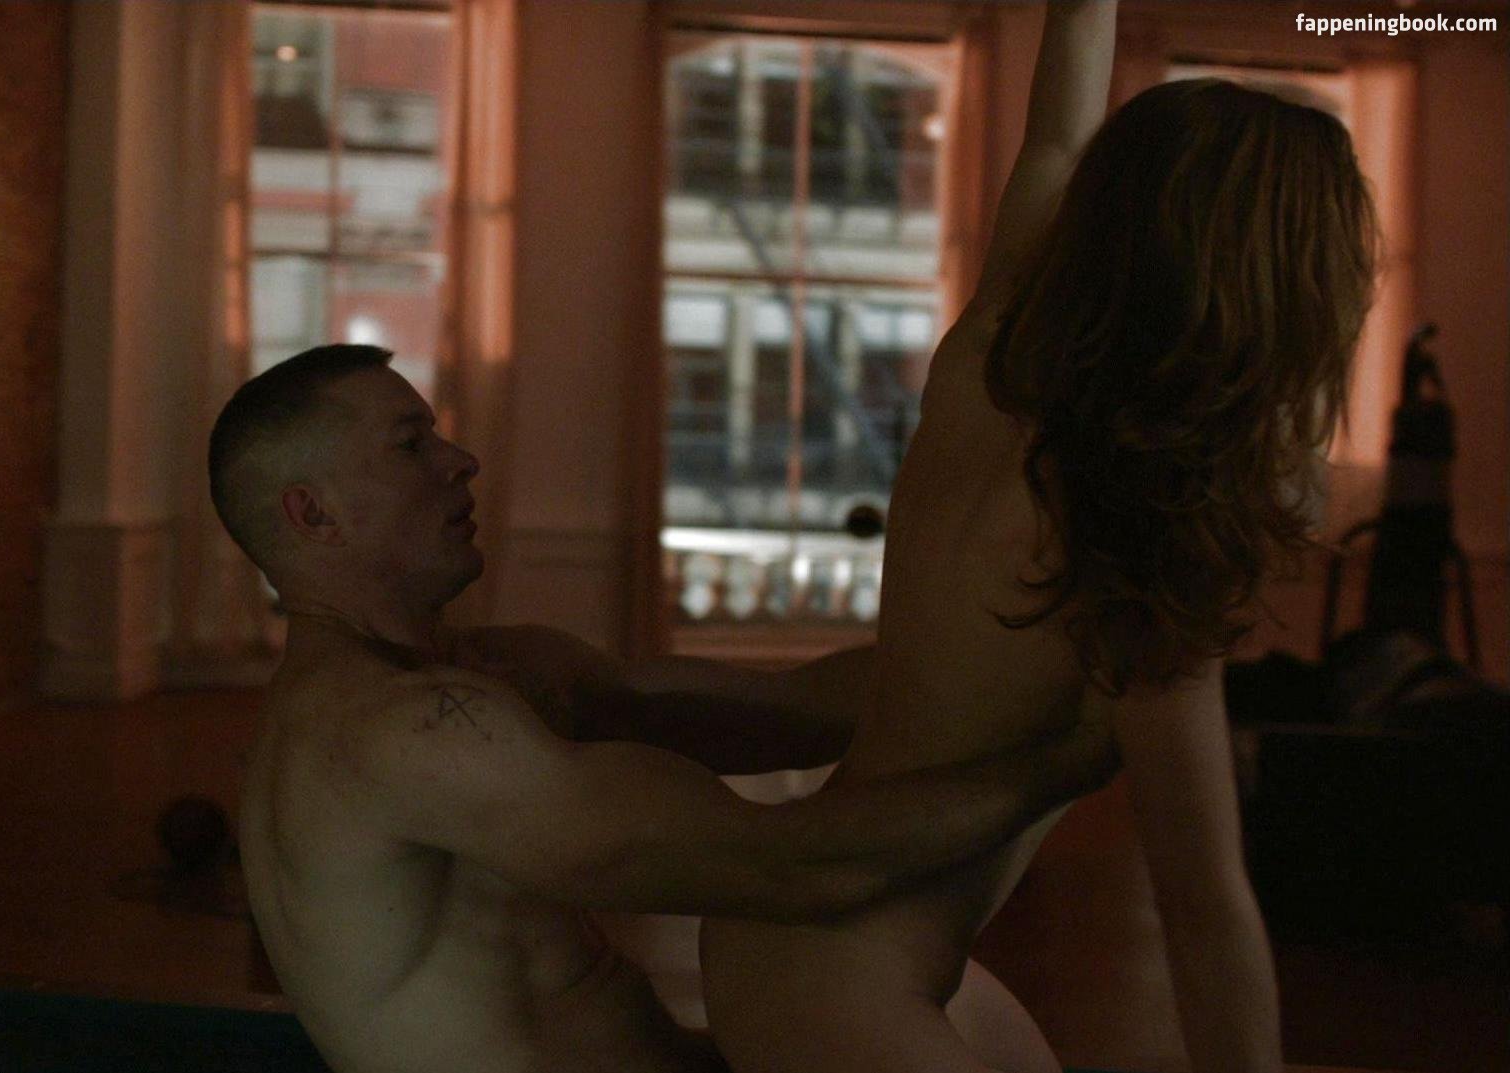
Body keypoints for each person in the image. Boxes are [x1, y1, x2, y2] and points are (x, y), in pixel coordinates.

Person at [689, 2, 1378, 1072]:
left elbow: (1056, 141)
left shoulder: (993, 356)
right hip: (840, 977)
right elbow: (1203, 908)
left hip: (808, 937)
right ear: (1284, 302)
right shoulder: (1142, 539)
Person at [208, 344, 1118, 1073]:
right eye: (411, 445)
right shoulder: (390, 732)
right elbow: (794, 871)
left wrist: (1049, 656)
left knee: (940, 999)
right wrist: (1070, 761)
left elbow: (786, 708)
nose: (461, 461)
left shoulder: (490, 675)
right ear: (313, 514)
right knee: (801, 950)